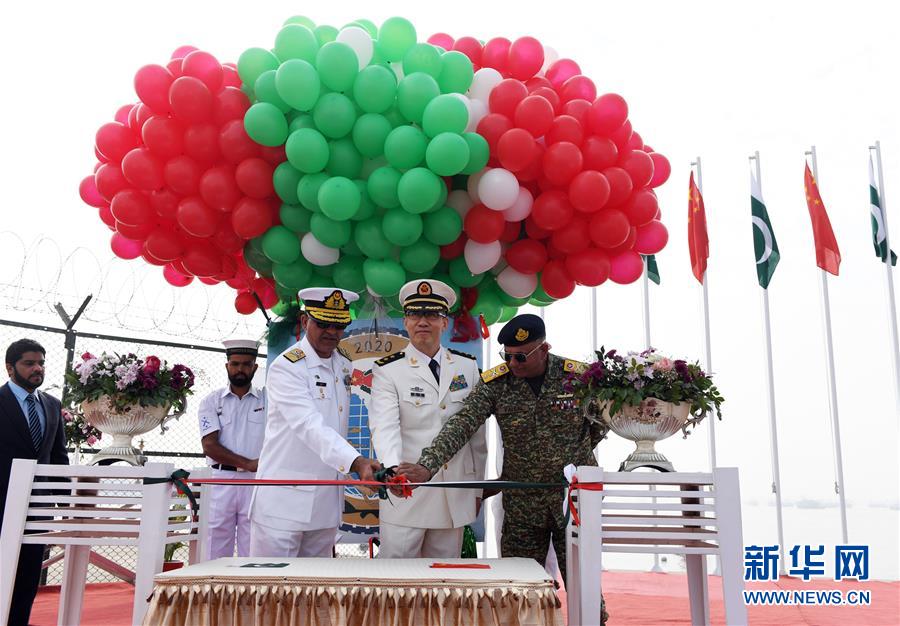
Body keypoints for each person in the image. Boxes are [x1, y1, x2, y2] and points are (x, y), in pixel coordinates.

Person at [398, 314, 609, 623]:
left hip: (573, 502)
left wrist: (574, 454)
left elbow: (603, 422)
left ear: (544, 349)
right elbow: (462, 424)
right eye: (506, 356)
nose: (512, 363)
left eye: (520, 356)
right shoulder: (497, 383)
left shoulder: (578, 379)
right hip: (523, 504)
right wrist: (427, 466)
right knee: (518, 592)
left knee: (584, 587)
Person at [249, 287, 382, 558]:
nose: (331, 331)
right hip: (283, 505)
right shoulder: (288, 367)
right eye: (322, 323)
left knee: (315, 582)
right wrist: (357, 462)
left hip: (325, 503)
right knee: (273, 583)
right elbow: (309, 425)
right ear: (304, 321)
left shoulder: (343, 364)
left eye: (339, 325)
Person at [369, 280, 487, 558]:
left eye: (432, 315)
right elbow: (385, 427)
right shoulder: (388, 370)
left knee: (444, 579)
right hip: (408, 493)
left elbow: (477, 437)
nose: (423, 321)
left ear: (444, 322)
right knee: (397, 580)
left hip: (453, 495)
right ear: (406, 322)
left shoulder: (467, 366)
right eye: (415, 315)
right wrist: (394, 474)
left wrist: (477, 490)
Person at [0, 339, 68, 626]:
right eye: (29, 363)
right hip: (2, 505)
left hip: (39, 508)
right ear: (10, 367)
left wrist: (67, 505)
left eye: (41, 363)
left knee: (28, 577)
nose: (37, 368)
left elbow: (58, 458)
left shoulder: (52, 405)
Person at [198, 339, 267, 560]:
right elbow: (209, 446)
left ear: (255, 367)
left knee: (254, 546)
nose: (240, 369)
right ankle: (213, 584)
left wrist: (255, 468)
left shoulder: (268, 400)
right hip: (220, 480)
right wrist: (247, 464)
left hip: (256, 482)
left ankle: (250, 585)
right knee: (215, 546)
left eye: (246, 364)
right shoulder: (211, 401)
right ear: (227, 366)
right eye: (235, 364)